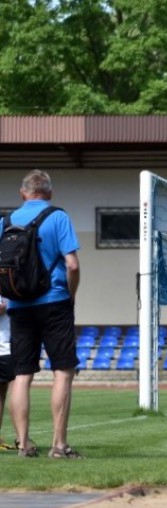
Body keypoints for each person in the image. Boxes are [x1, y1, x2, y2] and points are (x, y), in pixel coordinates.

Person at [5, 169, 82, 459]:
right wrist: (70, 295)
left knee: (22, 375)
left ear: (23, 193)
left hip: (18, 306)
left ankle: (24, 444)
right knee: (63, 370)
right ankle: (59, 446)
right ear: (49, 193)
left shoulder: (6, 221)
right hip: (55, 302)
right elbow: (72, 264)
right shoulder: (58, 217)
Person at [0, 296, 15, 450]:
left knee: (2, 394)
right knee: (18, 388)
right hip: (3, 348)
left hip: (7, 347)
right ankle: (22, 439)